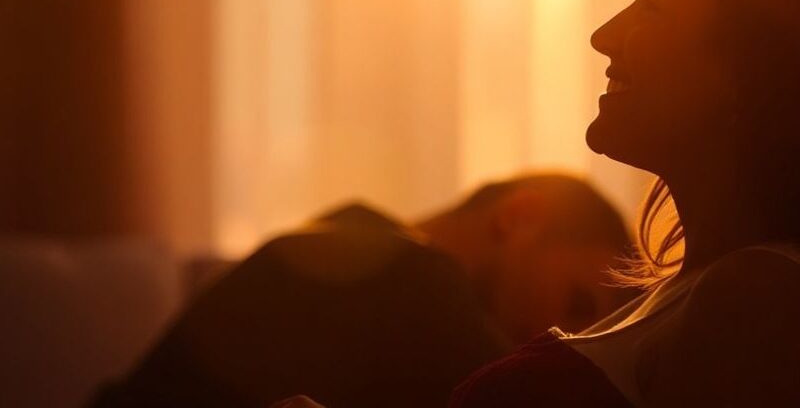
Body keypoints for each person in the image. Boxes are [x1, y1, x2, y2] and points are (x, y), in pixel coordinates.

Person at [450, 0, 800, 407]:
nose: (604, 35)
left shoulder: (760, 297)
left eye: (651, 3)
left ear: (747, 68)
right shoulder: (703, 290)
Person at [92, 174, 631, 408]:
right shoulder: (413, 278)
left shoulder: (351, 248)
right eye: (577, 305)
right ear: (521, 216)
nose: (567, 341)